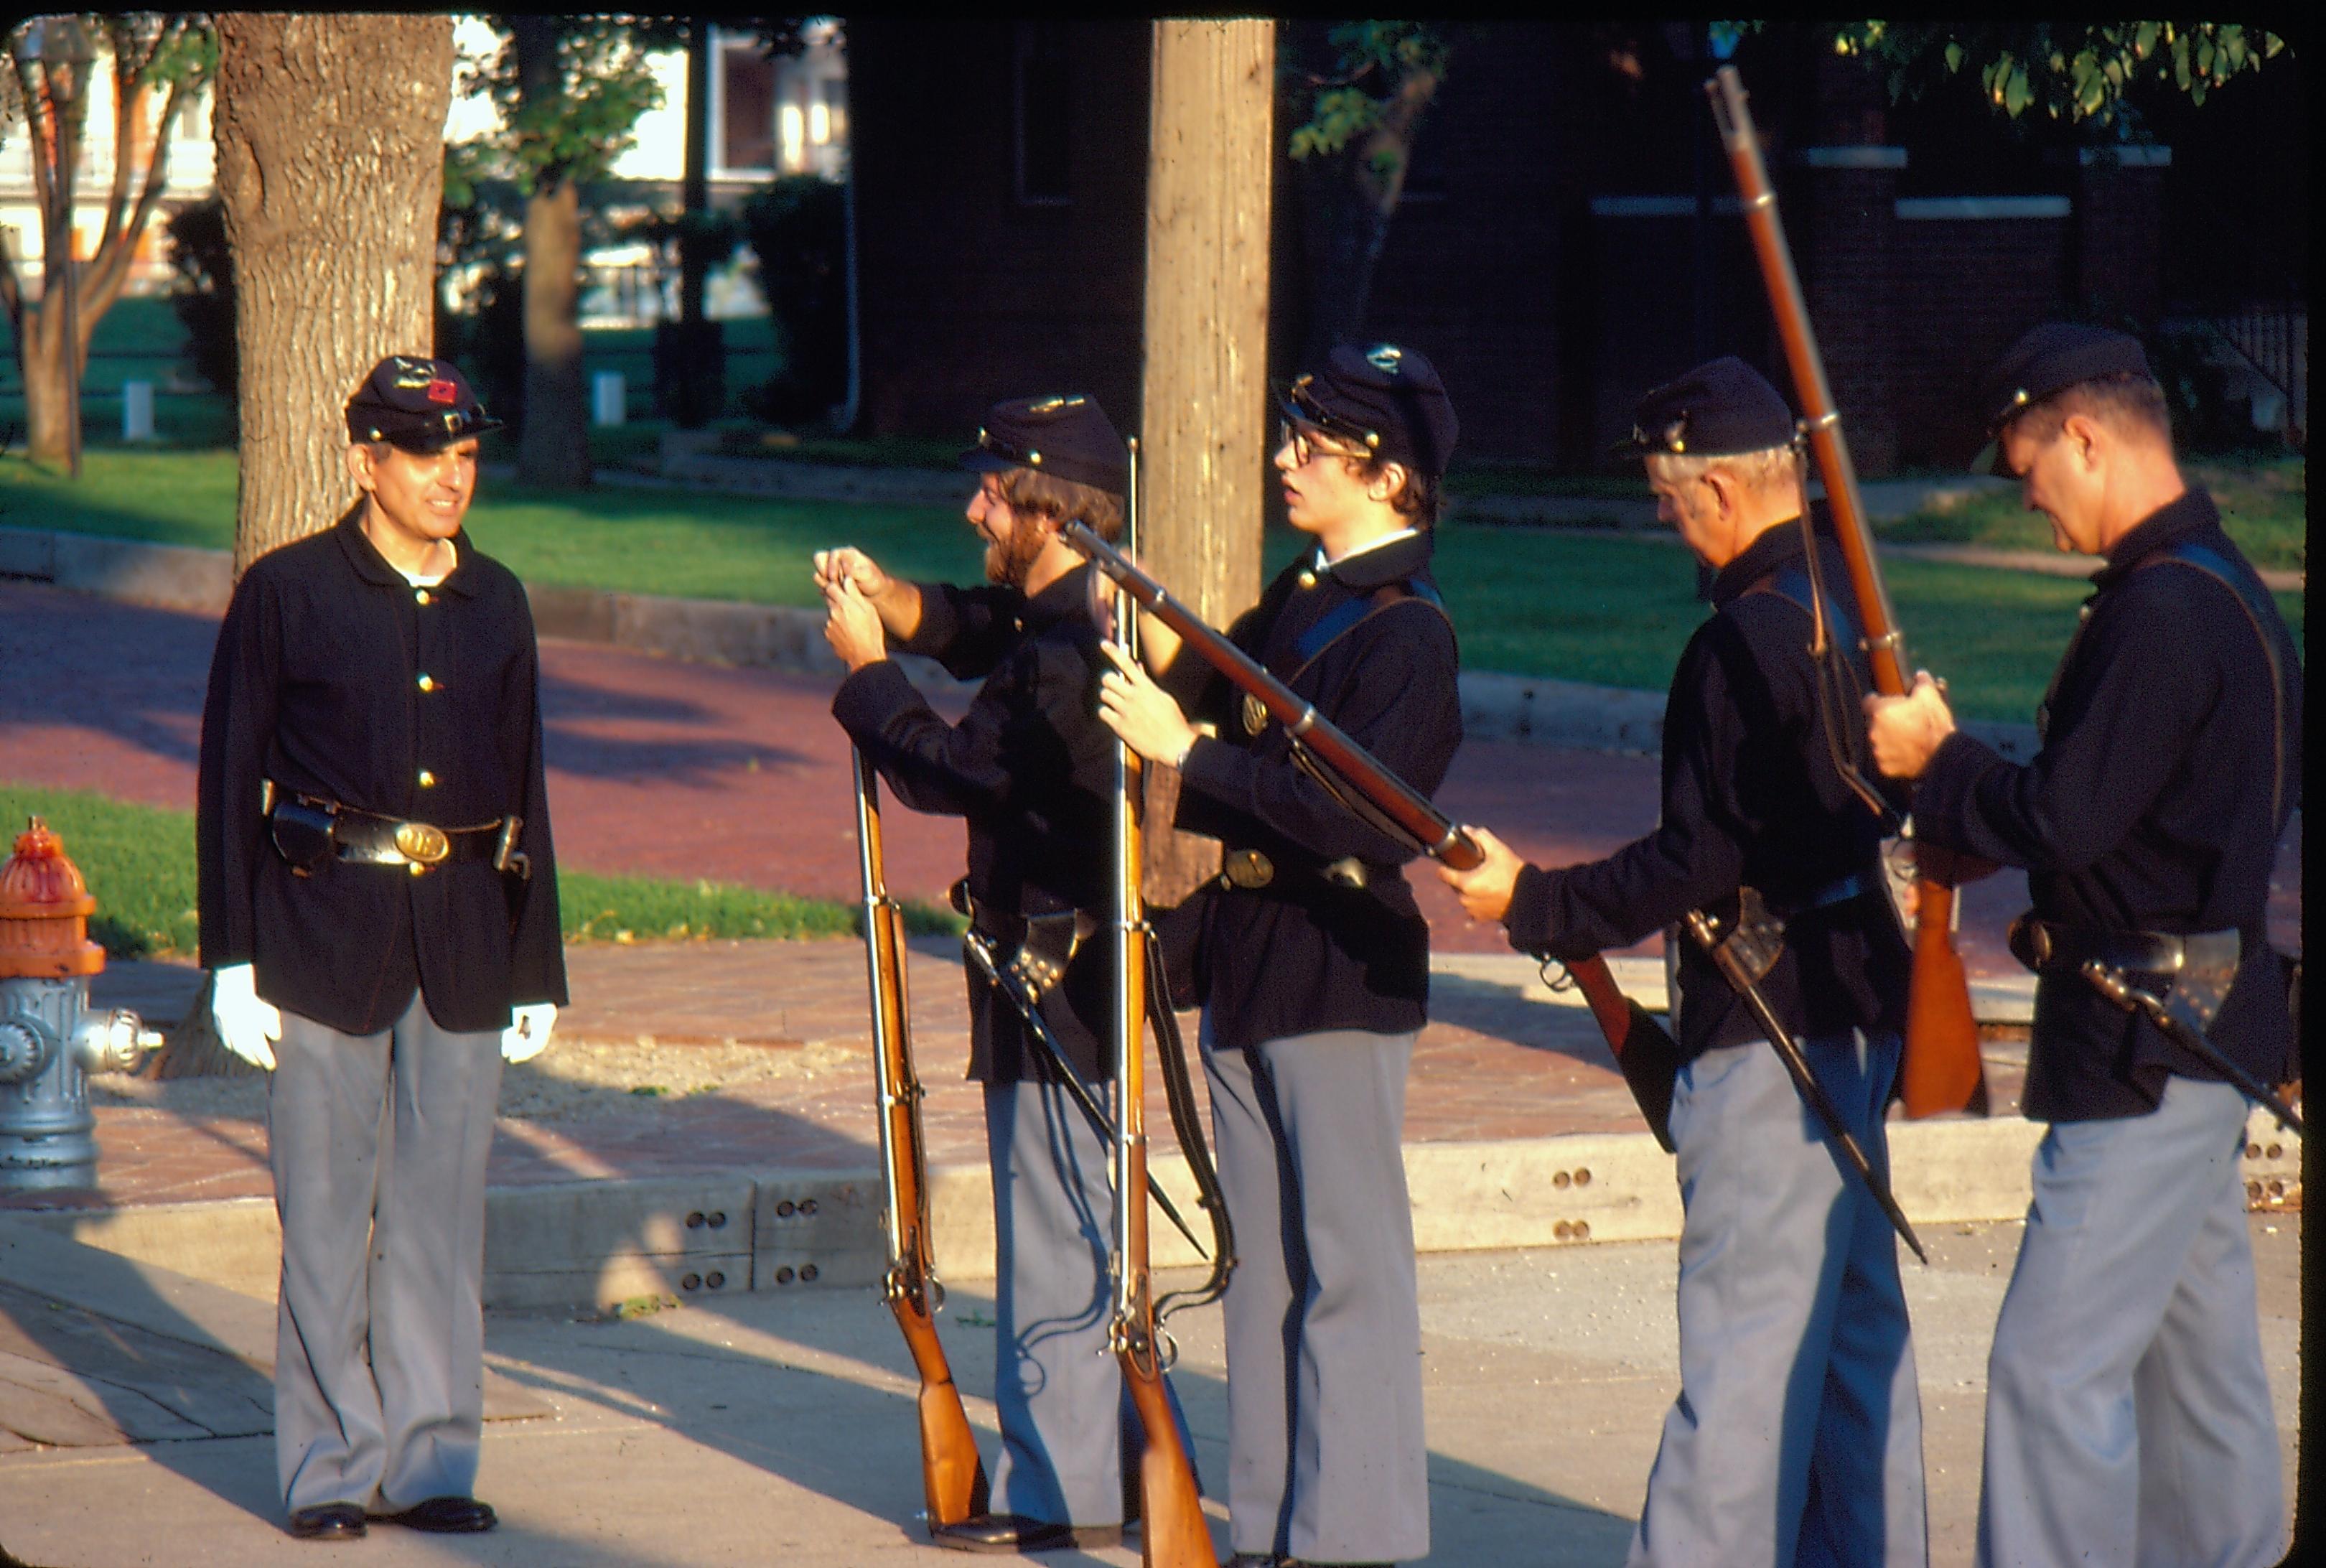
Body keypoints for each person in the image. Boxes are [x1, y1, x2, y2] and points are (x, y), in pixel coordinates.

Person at [1438, 358, 1928, 1567]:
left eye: (1665, 489)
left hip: (1769, 1024)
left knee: (1750, 1360)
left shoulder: (1739, 642)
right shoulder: (1847, 611)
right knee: (1857, 1342)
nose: (1660, 512)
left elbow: (1703, 856)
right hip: (1855, 1003)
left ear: (1716, 487)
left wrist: (1539, 900)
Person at [1865, 323, 2297, 1568]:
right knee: (2201, 1376)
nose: (2032, 502)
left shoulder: (2161, 614)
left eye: (2032, 468)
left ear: (2088, 437)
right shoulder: (2226, 591)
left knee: (2053, 1374)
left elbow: (2065, 813)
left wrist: (1937, 766)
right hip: (2204, 1029)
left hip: (2143, 1043)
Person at [1096, 342, 1462, 1568]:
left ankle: (1355, 1536)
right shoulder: (1306, 594)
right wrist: (1141, 622)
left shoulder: (1408, 634)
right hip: (1256, 957)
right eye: (1291, 437)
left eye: (1314, 444)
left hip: (1336, 962)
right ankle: (1270, 1524)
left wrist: (1187, 755)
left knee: (1347, 1271)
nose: (1284, 460)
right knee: (1259, 1268)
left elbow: (1363, 814)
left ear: (1391, 472)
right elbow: (1206, 680)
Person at [196, 355, 565, 1541]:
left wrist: (534, 964)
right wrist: (230, 958)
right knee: (323, 1216)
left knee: (440, 1218)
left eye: (464, 457)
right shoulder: (290, 590)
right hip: (318, 930)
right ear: (367, 463)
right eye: (423, 456)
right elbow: (227, 777)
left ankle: (431, 1460)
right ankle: (327, 1469)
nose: (450, 477)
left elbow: (526, 787)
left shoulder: (495, 600)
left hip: (460, 937)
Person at [820, 393, 1196, 1555]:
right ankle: (1084, 1477)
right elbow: (986, 622)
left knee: (1055, 1232)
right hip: (1062, 966)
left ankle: (1062, 1495)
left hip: (1056, 973)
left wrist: (870, 671)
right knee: (1068, 1223)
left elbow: (948, 772)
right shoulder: (1076, 610)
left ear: (1046, 507)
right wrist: (899, 605)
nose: (975, 505)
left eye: (995, 492)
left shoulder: (1066, 654)